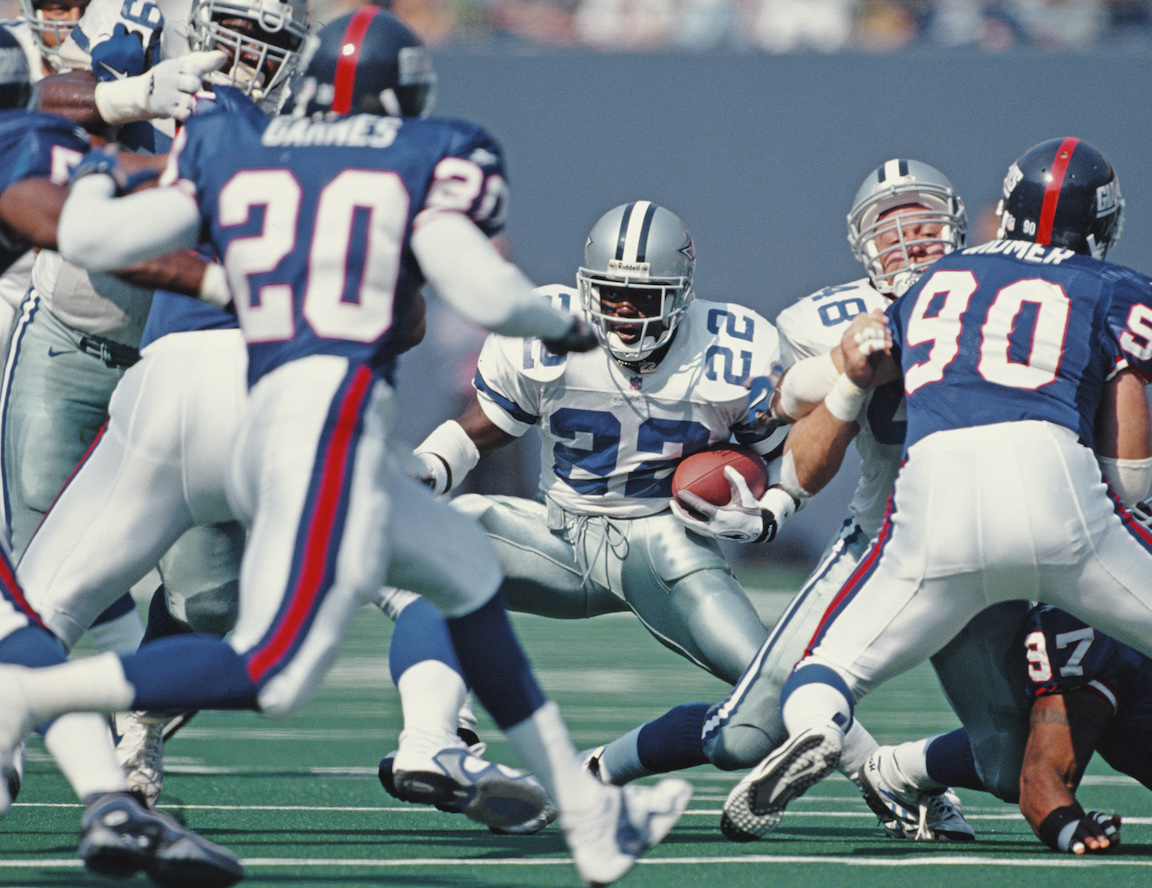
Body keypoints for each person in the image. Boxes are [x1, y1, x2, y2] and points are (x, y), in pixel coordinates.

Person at [36, 9, 692, 886]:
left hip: (165, 383)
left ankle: (565, 807)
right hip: (296, 405)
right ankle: (34, 696)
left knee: (49, 602)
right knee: (282, 659)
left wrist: (93, 178)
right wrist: (551, 319)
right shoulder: (424, 158)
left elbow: (91, 241)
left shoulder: (228, 135)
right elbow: (472, 286)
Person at [719, 136, 1152, 846]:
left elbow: (842, 373)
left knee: (827, 667)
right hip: (1053, 487)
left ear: (1002, 211)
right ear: (1102, 224)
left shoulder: (938, 283)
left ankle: (820, 730)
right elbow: (1128, 463)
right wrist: (1118, 517)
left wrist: (781, 407)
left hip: (931, 499)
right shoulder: (1120, 289)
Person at [583, 161, 980, 843]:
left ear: (957, 230)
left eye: (924, 228)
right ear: (863, 245)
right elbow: (787, 413)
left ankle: (897, 770)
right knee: (741, 736)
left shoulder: (999, 295)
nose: (910, 247)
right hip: (883, 536)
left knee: (1021, 755)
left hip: (992, 537)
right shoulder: (820, 320)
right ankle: (597, 769)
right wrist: (778, 497)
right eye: (892, 232)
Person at [0, 27, 244, 886]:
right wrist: (217, 280)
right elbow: (79, 225)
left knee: (27, 621)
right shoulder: (20, 147)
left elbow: (115, 175)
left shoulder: (35, 139)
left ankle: (108, 802)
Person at [403, 200, 793, 694]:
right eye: (610, 295)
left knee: (771, 690)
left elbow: (786, 450)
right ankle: (440, 734)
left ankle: (610, 764)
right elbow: (485, 425)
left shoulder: (735, 350)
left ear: (681, 295)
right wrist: (429, 468)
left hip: (669, 549)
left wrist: (769, 514)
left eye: (644, 298)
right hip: (560, 540)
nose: (625, 310)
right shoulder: (550, 330)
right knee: (422, 547)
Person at [865, 489, 1152, 853]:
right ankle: (900, 766)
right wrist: (1066, 824)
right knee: (1009, 766)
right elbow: (1042, 779)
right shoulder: (1115, 621)